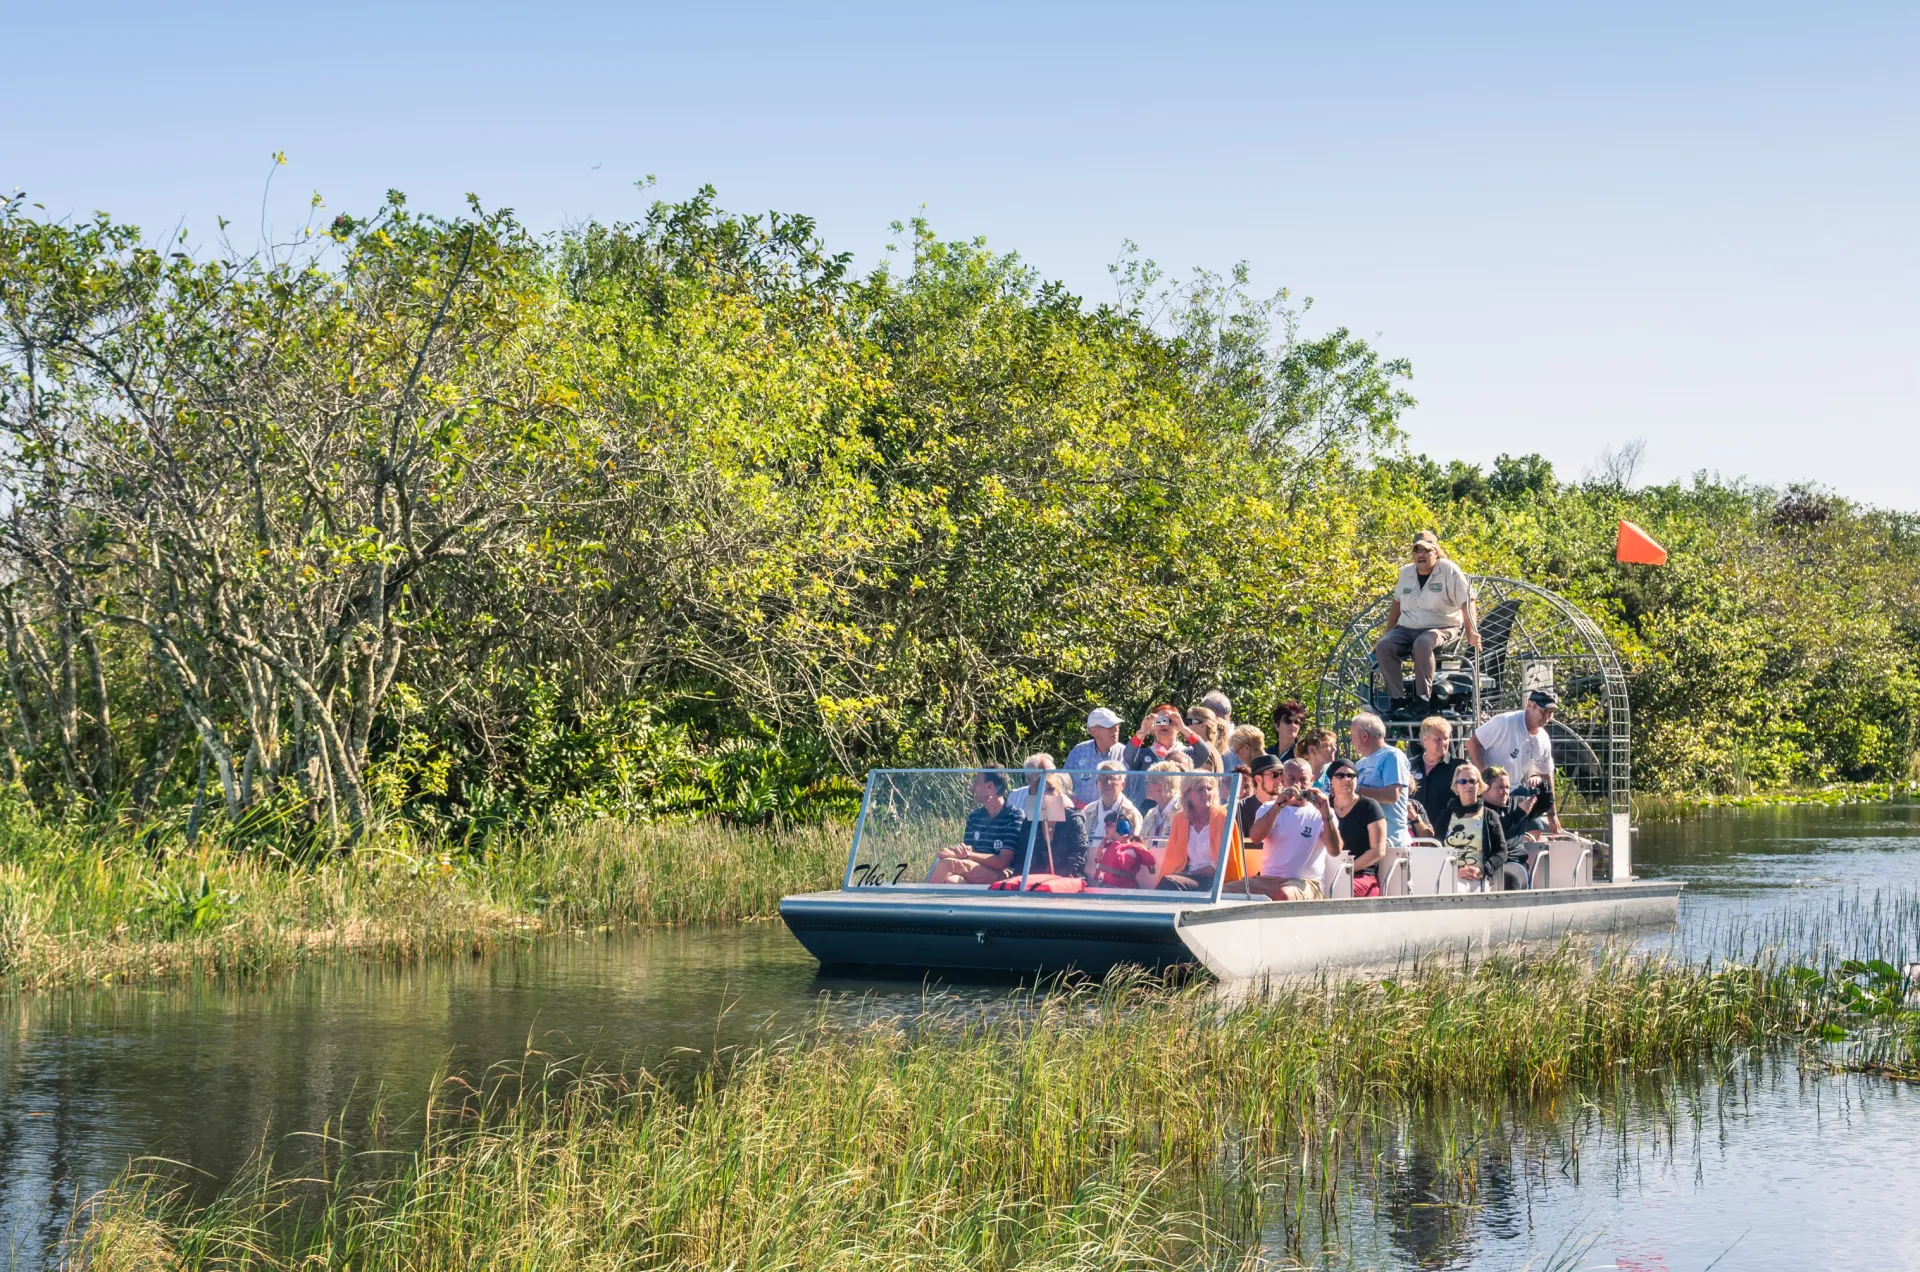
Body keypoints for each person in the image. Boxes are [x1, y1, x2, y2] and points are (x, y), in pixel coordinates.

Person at [1372, 530, 1481, 721]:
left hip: (1441, 626)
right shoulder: (1405, 573)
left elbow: (1468, 601)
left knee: (1423, 643)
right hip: (1407, 628)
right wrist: (1387, 633)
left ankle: (1423, 701)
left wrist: (1472, 632)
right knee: (1384, 647)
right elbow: (1396, 604)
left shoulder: (1449, 570)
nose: (1421, 555)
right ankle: (1397, 700)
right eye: (1417, 550)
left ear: (1436, 552)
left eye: (1426, 550)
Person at [1467, 689, 1562, 834]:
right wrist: (1484, 776)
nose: (1547, 717)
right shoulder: (1504, 722)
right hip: (1489, 792)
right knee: (1496, 833)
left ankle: (1523, 856)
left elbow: (1547, 776)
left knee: (1535, 830)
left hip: (1516, 791)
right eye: (1544, 711)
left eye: (1551, 712)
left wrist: (1552, 814)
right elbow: (1472, 743)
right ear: (1530, 705)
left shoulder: (1543, 738)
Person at [1248, 759, 1341, 900]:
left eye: (1303, 779)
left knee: (1283, 894)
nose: (1297, 785)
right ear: (1282, 779)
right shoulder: (1268, 807)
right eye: (1291, 779)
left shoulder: (1322, 811)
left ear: (1312, 780)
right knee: (1224, 891)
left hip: (1306, 883)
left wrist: (1326, 816)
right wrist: (1277, 806)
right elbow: (1255, 838)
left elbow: (1335, 851)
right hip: (1267, 880)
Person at [930, 771, 1030, 884]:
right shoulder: (974, 817)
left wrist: (967, 855)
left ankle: (922, 900)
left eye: (976, 783)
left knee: (946, 863)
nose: (973, 787)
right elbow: (968, 851)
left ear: (989, 786)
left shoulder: (1014, 816)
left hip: (1003, 874)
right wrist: (958, 851)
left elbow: (1002, 862)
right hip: (976, 869)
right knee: (950, 882)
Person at [1155, 775, 1244, 893]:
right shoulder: (1180, 819)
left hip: (1215, 881)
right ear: (1187, 794)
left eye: (1209, 789)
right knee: (1168, 884)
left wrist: (1188, 874)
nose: (1206, 793)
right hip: (1185, 879)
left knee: (1170, 883)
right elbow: (1173, 859)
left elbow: (1221, 865)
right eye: (1200, 789)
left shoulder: (1223, 818)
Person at [1444, 763, 1523, 891]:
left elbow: (1501, 852)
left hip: (1478, 878)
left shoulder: (1489, 816)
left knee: (1455, 890)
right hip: (1449, 875)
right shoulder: (1446, 816)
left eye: (1472, 781)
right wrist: (1454, 871)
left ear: (1480, 786)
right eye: (1463, 781)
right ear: (1456, 786)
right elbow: (1435, 848)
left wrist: (1483, 870)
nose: (1468, 785)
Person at [1350, 712, 1414, 850]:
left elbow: (1392, 795)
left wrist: (1356, 790)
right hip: (1367, 843)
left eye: (1352, 737)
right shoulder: (1360, 764)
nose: (1351, 741)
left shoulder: (1393, 756)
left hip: (1392, 844)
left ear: (1364, 736)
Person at [1325, 757, 1388, 897]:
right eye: (1340, 775)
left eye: (1351, 775)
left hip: (1362, 875)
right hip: (1326, 873)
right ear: (1331, 781)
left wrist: (1347, 869)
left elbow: (1378, 851)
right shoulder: (1323, 806)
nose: (1346, 779)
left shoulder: (1370, 806)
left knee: (1337, 890)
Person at [1409, 716, 1460, 841]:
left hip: (1446, 836)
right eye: (1438, 739)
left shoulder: (1459, 767)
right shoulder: (1408, 765)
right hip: (1413, 837)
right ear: (1424, 739)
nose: (1443, 743)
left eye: (1446, 738)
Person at [1063, 708, 1125, 805]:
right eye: (1110, 726)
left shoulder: (1125, 754)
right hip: (1081, 816)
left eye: (1117, 724)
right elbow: (1064, 786)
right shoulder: (1078, 752)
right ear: (1094, 731)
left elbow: (1134, 791)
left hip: (1115, 817)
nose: (1116, 729)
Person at [1029, 771, 1086, 877]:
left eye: (1050, 790)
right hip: (1034, 885)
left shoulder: (1073, 820)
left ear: (1060, 793)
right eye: (1039, 791)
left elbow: (1078, 859)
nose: (1045, 795)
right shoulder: (1030, 824)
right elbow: (1022, 862)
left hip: (1067, 883)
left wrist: (1056, 881)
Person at [1483, 766, 1553, 848]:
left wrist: (1541, 784)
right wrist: (1520, 812)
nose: (1505, 792)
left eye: (1507, 787)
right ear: (1485, 788)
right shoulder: (1477, 809)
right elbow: (1496, 831)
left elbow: (1545, 804)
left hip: (1516, 858)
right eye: (1500, 787)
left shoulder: (1517, 802)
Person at [1079, 759, 1144, 846]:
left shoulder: (1132, 814)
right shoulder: (1088, 811)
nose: (1108, 782)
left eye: (1112, 778)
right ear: (1097, 783)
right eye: (1103, 777)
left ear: (1123, 785)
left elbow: (1138, 847)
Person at [1127, 704, 1196, 771]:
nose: (1163, 724)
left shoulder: (1188, 753)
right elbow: (1128, 756)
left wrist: (1183, 728)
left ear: (1178, 725)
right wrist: (1142, 732)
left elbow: (1204, 753)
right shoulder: (1143, 755)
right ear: (1152, 727)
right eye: (1158, 721)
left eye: (1168, 720)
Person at [1137, 761, 1184, 851]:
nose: (1145, 786)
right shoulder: (1150, 814)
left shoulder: (1183, 811)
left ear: (1159, 786)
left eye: (1147, 782)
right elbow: (1140, 844)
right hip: (1150, 864)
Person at [1186, 706, 1231, 774]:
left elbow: (1202, 782)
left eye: (1189, 722)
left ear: (1202, 725)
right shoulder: (1211, 748)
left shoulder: (1205, 750)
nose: (1186, 726)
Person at [1297, 728, 1338, 792]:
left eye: (1334, 745)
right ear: (1312, 749)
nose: (1335, 749)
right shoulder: (1296, 772)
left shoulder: (1335, 771)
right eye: (1328, 745)